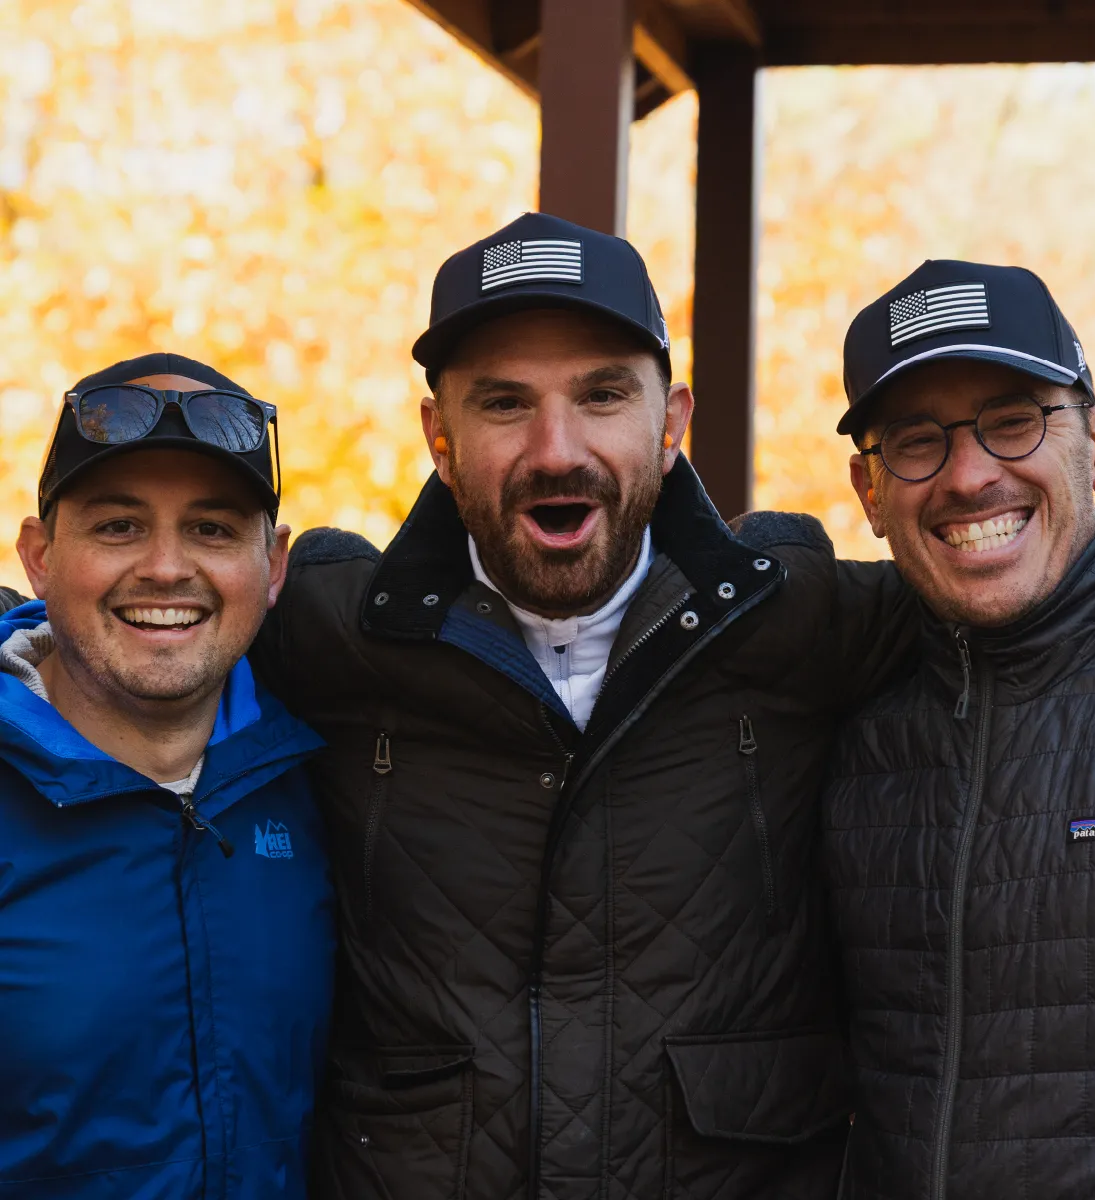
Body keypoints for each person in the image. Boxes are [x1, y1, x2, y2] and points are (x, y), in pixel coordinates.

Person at [253, 212, 928, 1200]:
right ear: (439, 437)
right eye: (503, 403)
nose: (555, 448)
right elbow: (128, 613)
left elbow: (1060, 585)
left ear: (671, 424)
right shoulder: (335, 635)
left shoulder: (799, 621)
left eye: (604, 395)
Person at [823, 260, 1095, 1198]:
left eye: (1013, 421)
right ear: (870, 493)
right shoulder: (843, 727)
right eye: (916, 441)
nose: (970, 474)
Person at [0, 353, 335, 1197]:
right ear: (39, 555)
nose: (164, 567)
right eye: (118, 525)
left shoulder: (330, 782)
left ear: (275, 565)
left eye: (213, 529)